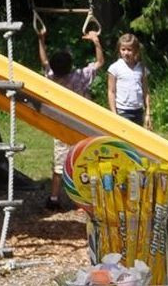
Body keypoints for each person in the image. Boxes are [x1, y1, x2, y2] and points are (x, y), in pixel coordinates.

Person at [36, 25, 103, 210]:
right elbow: (99, 63)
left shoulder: (52, 78)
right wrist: (96, 42)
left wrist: (41, 39)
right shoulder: (80, 77)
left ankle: (55, 197)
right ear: (71, 66)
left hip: (60, 125)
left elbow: (44, 62)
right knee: (82, 159)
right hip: (80, 124)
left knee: (59, 162)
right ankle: (83, 198)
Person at [107, 33, 152, 130]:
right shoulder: (115, 68)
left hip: (138, 111)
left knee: (137, 140)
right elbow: (111, 91)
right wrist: (114, 113)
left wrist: (148, 113)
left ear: (135, 50)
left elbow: (146, 91)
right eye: (123, 49)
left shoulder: (141, 68)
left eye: (129, 50)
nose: (126, 53)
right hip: (123, 112)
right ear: (119, 50)